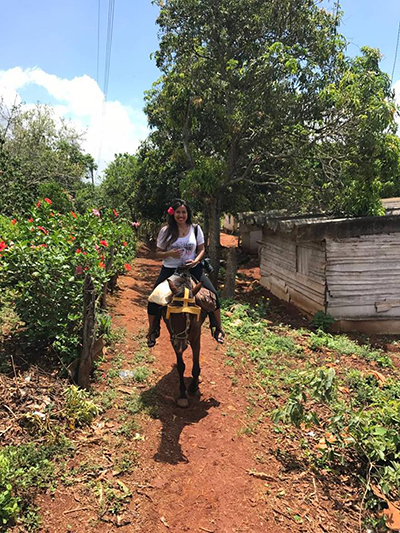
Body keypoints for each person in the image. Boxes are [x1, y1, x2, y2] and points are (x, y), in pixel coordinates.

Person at [147, 198, 225, 348]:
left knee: (213, 294)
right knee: (153, 299)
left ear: (188, 214)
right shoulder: (166, 231)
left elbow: (201, 249)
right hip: (170, 270)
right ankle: (152, 330)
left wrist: (196, 261)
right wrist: (169, 253)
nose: (181, 215)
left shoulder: (195, 229)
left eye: (183, 212)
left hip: (192, 268)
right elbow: (158, 253)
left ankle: (218, 328)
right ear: (173, 214)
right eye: (178, 212)